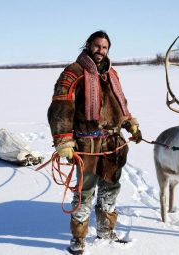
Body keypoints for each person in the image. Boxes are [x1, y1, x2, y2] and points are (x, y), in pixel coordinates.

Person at [47, 30, 142, 254]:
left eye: (105, 47)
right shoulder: (73, 72)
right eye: (97, 46)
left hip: (112, 143)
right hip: (86, 145)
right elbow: (60, 108)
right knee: (85, 190)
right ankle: (79, 238)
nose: (101, 51)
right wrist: (64, 142)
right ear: (88, 45)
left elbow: (121, 103)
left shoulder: (112, 74)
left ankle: (106, 231)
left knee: (111, 187)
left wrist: (130, 123)